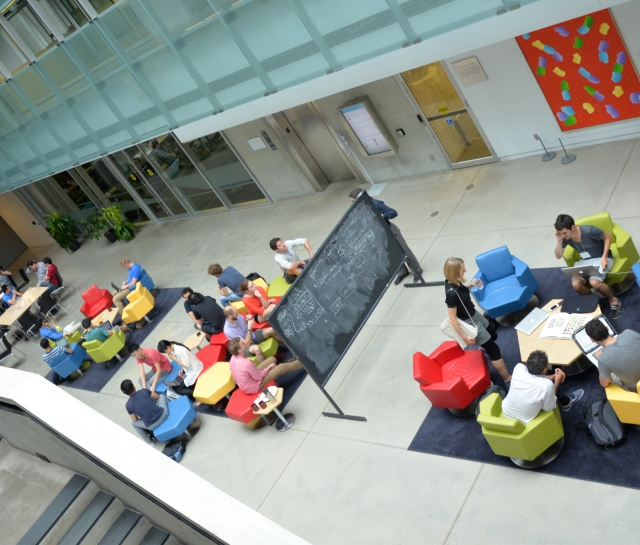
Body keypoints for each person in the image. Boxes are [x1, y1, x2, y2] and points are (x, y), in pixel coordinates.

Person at [443, 257, 512, 385]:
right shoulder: (452, 294)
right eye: (462, 269)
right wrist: (464, 337)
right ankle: (507, 378)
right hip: (470, 322)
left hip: (474, 314)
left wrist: (468, 287)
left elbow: (461, 297)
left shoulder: (453, 281)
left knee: (492, 334)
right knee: (495, 350)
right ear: (455, 271)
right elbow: (452, 318)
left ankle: (484, 345)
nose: (465, 270)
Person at [349, 188, 423, 284]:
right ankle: (402, 272)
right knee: (391, 255)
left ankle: (417, 269)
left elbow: (393, 212)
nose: (353, 204)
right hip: (378, 234)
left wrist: (383, 215)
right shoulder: (359, 208)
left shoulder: (376, 204)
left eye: (354, 201)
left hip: (390, 231)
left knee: (404, 251)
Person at [554, 214, 621, 319]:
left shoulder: (589, 231)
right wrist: (559, 241)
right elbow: (558, 256)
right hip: (584, 261)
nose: (563, 235)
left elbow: (608, 237)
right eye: (560, 233)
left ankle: (613, 300)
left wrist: (604, 257)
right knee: (576, 285)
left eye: (564, 233)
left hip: (602, 258)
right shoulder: (564, 237)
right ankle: (595, 303)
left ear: (572, 227)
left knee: (594, 282)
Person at [502, 350, 584, 424]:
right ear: (544, 370)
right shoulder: (545, 386)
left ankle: (566, 401)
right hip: (524, 421)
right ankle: (567, 403)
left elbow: (534, 377)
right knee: (550, 390)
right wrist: (556, 382)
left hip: (506, 411)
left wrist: (553, 376)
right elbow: (549, 407)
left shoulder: (518, 368)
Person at [228, 337, 303, 395]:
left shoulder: (232, 359)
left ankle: (279, 371)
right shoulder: (246, 363)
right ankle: (304, 363)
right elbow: (259, 376)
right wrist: (269, 368)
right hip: (255, 386)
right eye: (242, 343)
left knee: (272, 359)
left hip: (249, 380)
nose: (244, 342)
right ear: (239, 350)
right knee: (281, 368)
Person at [586, 319, 640, 391]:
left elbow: (604, 384)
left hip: (636, 388)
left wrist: (599, 362)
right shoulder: (629, 333)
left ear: (592, 339)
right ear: (607, 328)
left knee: (606, 372)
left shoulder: (603, 359)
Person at [121, 379, 169, 445]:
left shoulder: (128, 405)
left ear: (125, 393)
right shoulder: (144, 391)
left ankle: (150, 443)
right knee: (161, 396)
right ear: (134, 386)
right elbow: (157, 397)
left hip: (152, 425)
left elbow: (135, 420)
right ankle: (172, 415)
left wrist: (136, 412)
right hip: (164, 414)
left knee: (134, 424)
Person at [157, 340, 202, 404]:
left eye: (165, 351)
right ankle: (195, 392)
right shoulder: (175, 348)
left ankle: (199, 395)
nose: (167, 353)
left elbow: (187, 364)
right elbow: (185, 362)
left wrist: (174, 359)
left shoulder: (179, 350)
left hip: (193, 369)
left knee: (178, 389)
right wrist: (182, 369)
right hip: (188, 369)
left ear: (167, 347)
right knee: (174, 385)